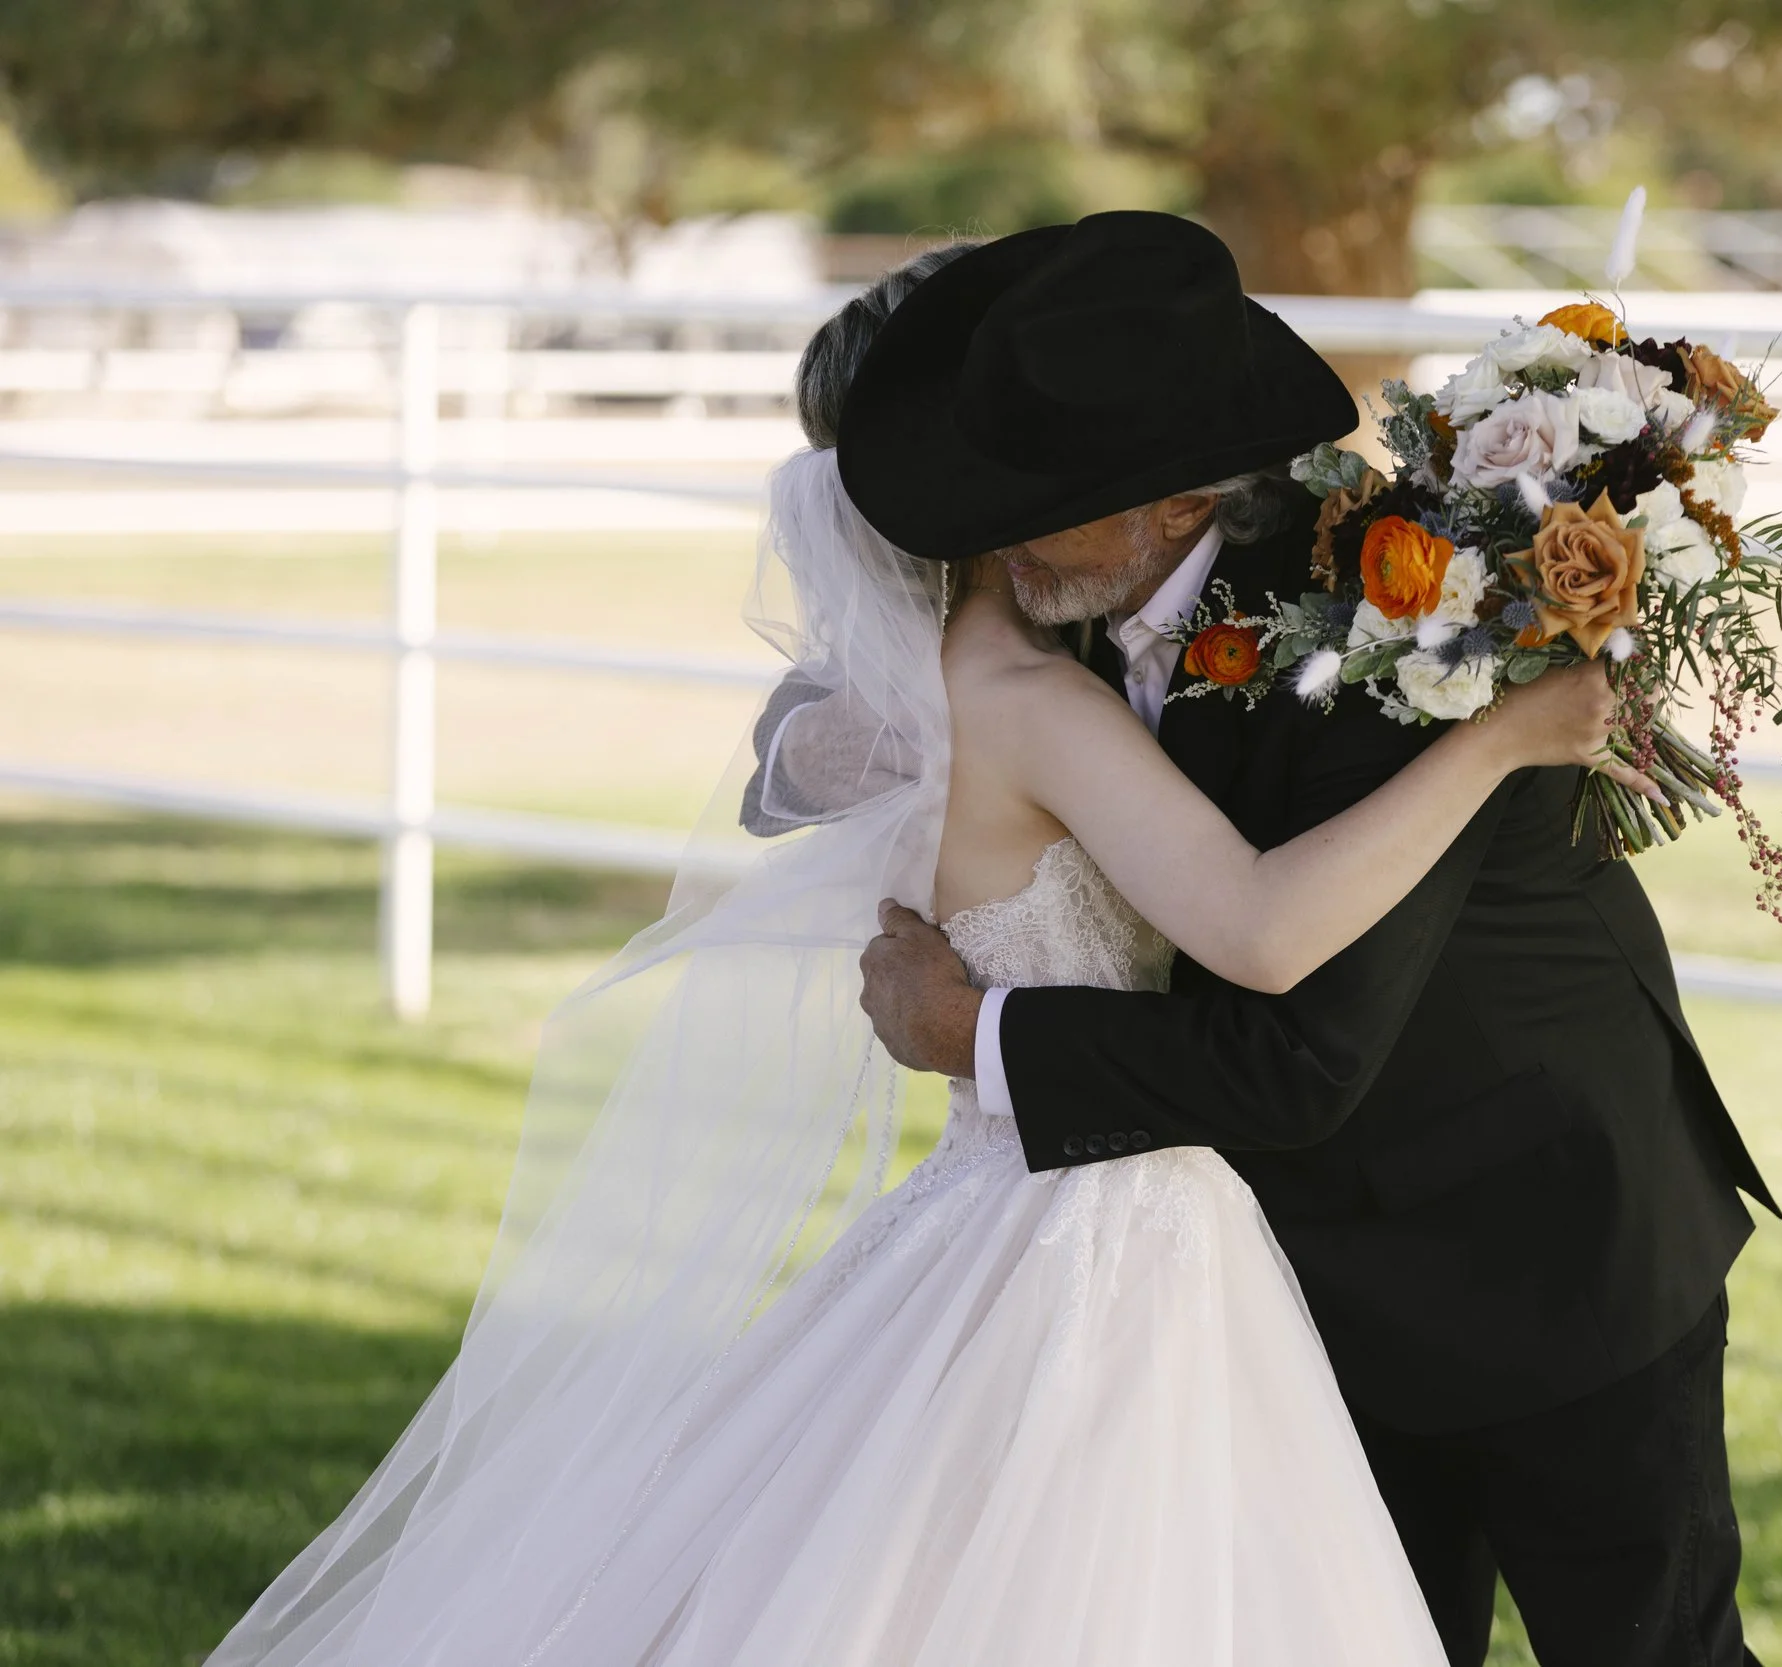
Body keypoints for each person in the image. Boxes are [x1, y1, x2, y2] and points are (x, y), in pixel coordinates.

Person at [202, 216, 1633, 1667]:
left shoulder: (911, 702)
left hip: (1072, 1200)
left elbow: (789, 766)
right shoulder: (1025, 690)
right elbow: (1260, 930)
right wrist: (1510, 736)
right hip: (1111, 1225)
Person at [852, 211, 1777, 1667]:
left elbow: (1298, 1054)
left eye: (1047, 496)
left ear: (1176, 499)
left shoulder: (1398, 631)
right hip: (1291, 1283)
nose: (1001, 530)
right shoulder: (1058, 609)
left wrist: (964, 1031)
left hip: (1540, 1246)